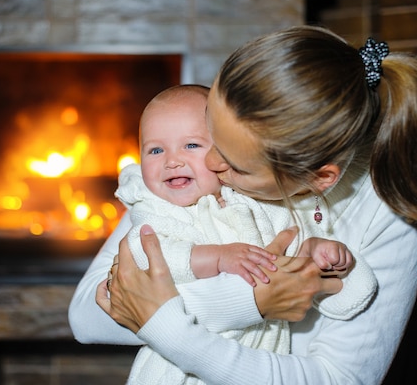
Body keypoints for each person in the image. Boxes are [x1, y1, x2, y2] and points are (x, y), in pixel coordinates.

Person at [69, 25, 417, 384]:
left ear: (320, 178)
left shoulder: (389, 206)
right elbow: (89, 314)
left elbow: (339, 379)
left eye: (234, 164)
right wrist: (248, 301)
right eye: (209, 136)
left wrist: (168, 326)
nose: (210, 164)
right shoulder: (182, 181)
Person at [115, 84, 367, 384]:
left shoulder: (258, 200)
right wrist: (217, 258)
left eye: (191, 145)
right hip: (178, 370)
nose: (172, 160)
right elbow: (144, 255)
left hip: (258, 359)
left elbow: (295, 257)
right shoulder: (155, 207)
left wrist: (316, 250)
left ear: (225, 151)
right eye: (155, 150)